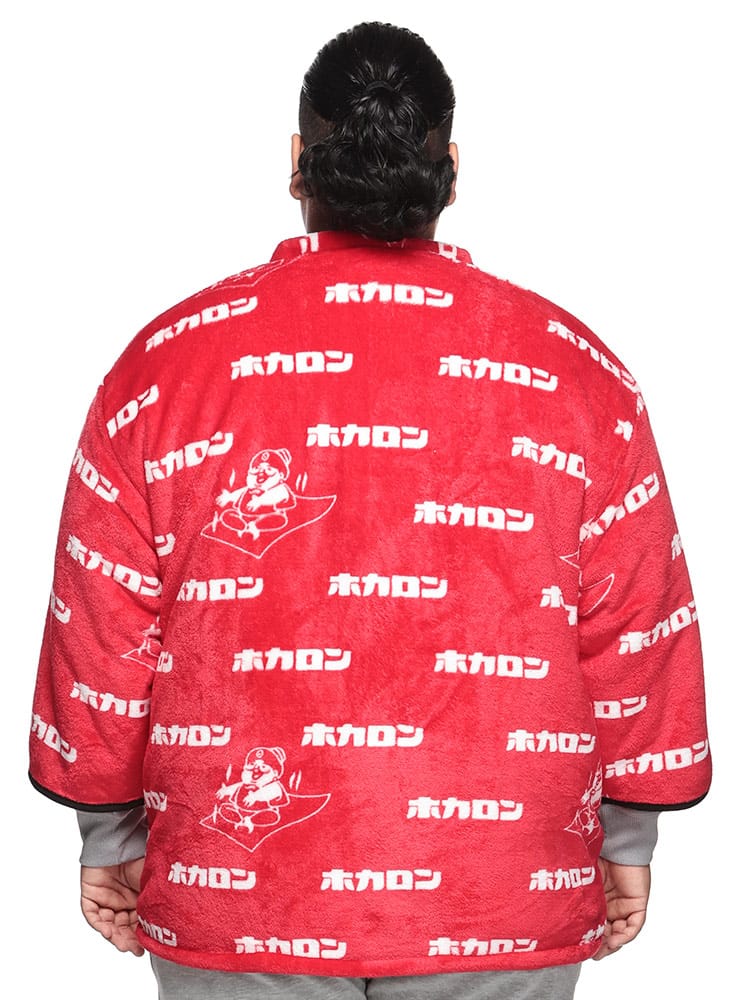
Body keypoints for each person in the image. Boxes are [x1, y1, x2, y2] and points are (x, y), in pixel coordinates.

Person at [28, 21, 711, 1000]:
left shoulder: (163, 366)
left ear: (296, 163)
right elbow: (639, 629)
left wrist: (110, 835)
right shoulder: (579, 371)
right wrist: (628, 838)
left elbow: (100, 630)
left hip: (241, 895)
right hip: (500, 898)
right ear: (451, 171)